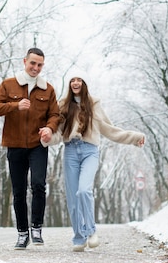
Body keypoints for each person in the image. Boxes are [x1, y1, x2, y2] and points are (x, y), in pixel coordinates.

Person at [43, 68, 145, 252]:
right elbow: (58, 134)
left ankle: (91, 231)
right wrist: (47, 138)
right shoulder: (63, 105)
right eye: (72, 80)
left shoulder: (94, 105)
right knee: (73, 199)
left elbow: (110, 130)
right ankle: (79, 238)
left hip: (90, 151)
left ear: (84, 83)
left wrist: (134, 137)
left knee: (83, 191)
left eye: (79, 80)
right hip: (70, 152)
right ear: (69, 84)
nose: (75, 83)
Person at [0, 48, 60, 249]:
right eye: (33, 63)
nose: (36, 68)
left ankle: (36, 228)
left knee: (38, 185)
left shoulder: (48, 89)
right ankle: (22, 233)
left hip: (38, 145)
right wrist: (15, 105)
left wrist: (49, 128)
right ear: (25, 61)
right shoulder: (9, 84)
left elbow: (55, 114)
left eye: (40, 65)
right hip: (15, 144)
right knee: (18, 191)